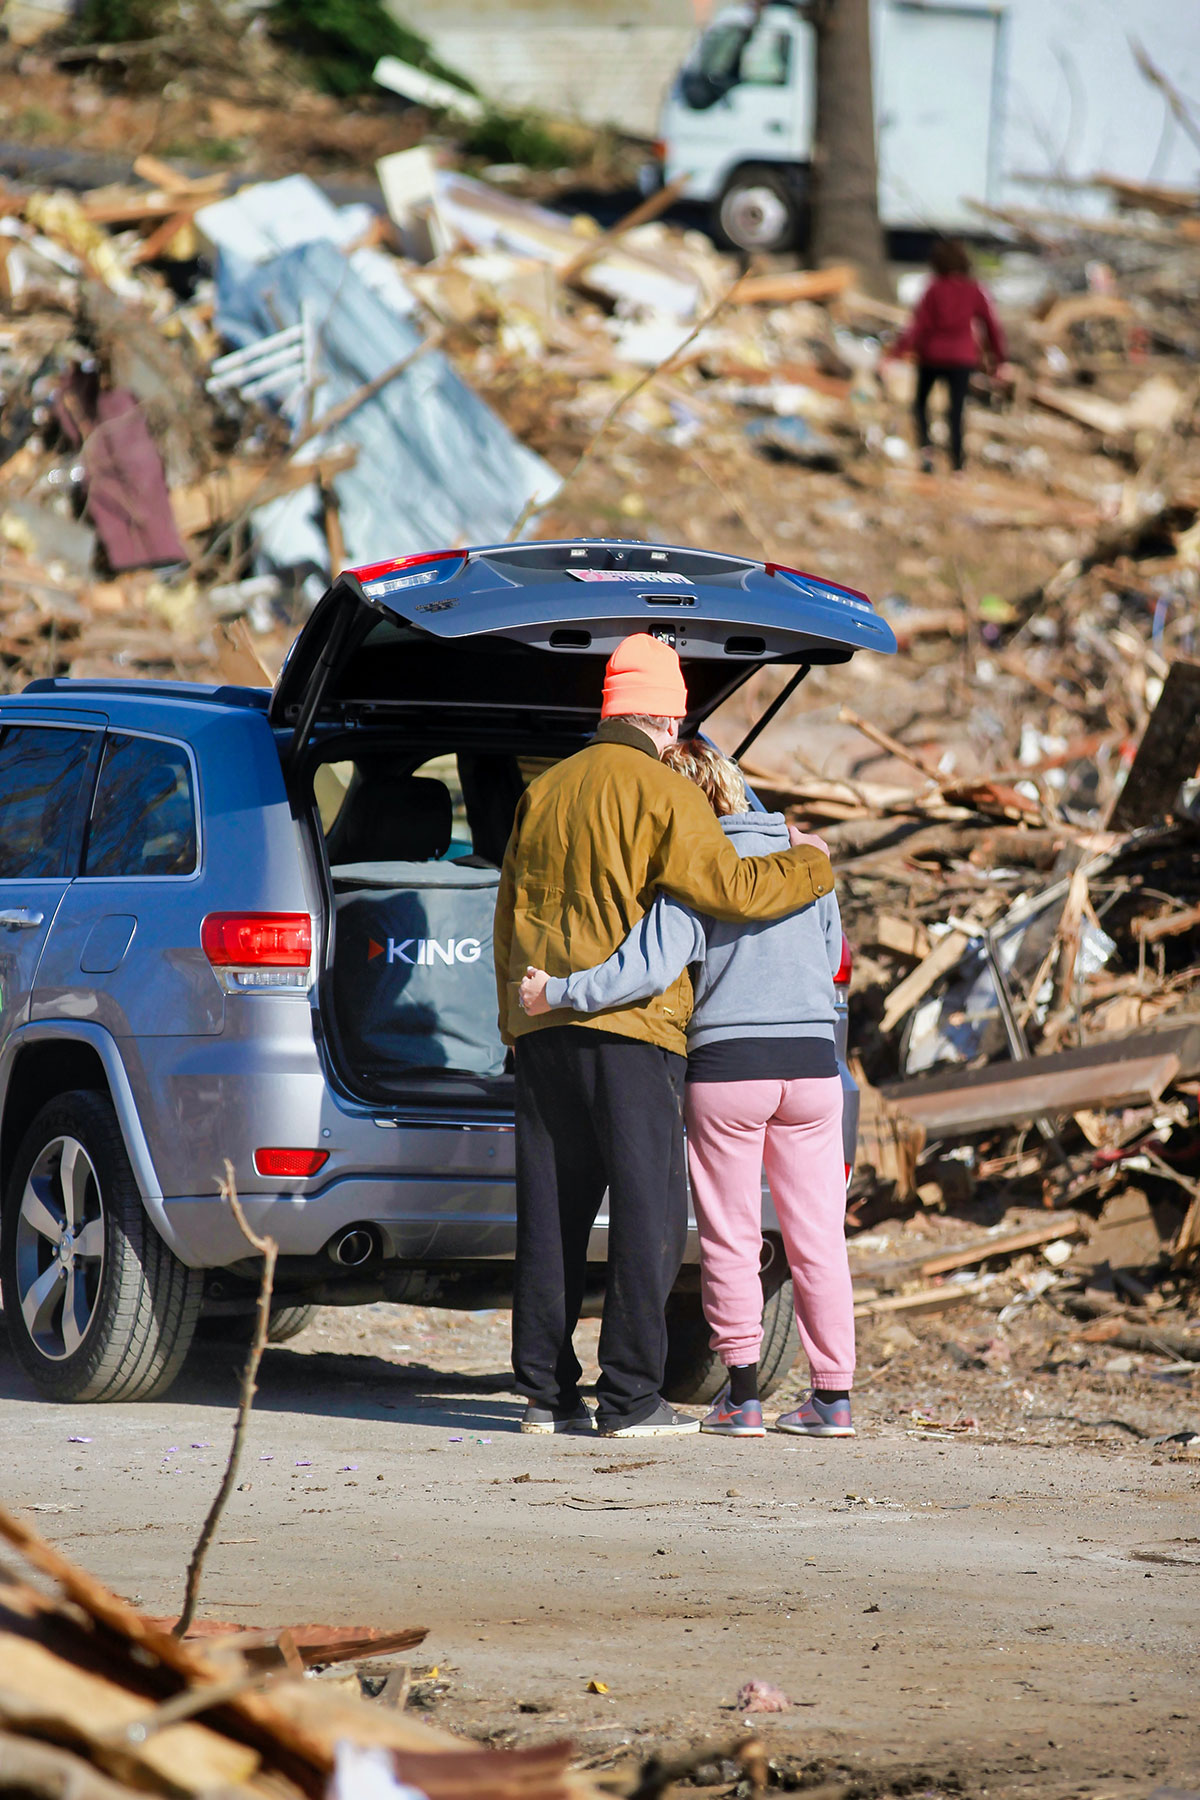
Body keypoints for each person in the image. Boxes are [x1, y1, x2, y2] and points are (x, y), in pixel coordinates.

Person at [494, 634, 835, 1440]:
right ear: (669, 714)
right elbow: (731, 889)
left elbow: (509, 909)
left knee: (551, 1214)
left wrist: (516, 1020)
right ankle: (630, 1399)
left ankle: (545, 1394)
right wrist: (814, 868)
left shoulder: (545, 790)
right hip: (632, 1030)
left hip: (544, 1028)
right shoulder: (665, 792)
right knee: (647, 1215)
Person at [890, 238, 1007, 474]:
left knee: (920, 405)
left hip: (931, 356)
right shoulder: (974, 289)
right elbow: (991, 326)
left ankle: (926, 449)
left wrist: (896, 353)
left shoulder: (933, 288)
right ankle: (958, 465)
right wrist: (1000, 361)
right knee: (956, 412)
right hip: (962, 359)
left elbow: (917, 325)